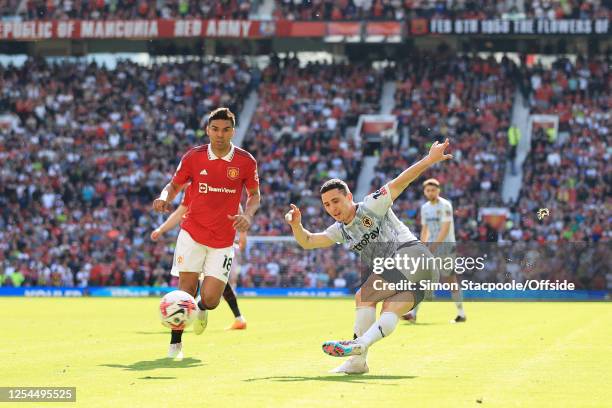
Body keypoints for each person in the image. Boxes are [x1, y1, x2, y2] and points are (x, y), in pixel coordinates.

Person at [285, 139, 453, 374]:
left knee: (364, 295)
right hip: (424, 276)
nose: (333, 208)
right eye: (326, 205)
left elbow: (400, 182)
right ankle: (360, 353)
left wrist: (430, 159)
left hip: (413, 254)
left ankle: (356, 358)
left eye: (336, 201)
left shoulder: (371, 205)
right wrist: (296, 226)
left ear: (349, 196)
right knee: (389, 309)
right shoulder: (340, 230)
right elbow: (309, 241)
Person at [152, 107, 260, 359]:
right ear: (207, 130)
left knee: (210, 299)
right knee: (185, 289)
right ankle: (175, 346)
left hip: (223, 240)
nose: (220, 134)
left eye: (225, 130)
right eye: (215, 129)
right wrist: (164, 196)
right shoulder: (193, 156)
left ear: (233, 131)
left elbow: (254, 196)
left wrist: (248, 216)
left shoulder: (245, 161)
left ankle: (200, 309)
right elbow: (174, 184)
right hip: (192, 233)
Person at [151, 184, 248, 332]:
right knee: (215, 283)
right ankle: (236, 317)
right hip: (200, 241)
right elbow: (180, 212)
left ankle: (196, 311)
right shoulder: (194, 186)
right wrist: (161, 228)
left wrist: (242, 235)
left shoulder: (208, 183)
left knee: (212, 284)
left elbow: (237, 207)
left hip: (217, 243)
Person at [402, 178, 466, 324]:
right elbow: (425, 229)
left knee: (450, 280)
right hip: (432, 246)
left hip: (446, 246)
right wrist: (422, 246)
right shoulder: (425, 208)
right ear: (425, 192)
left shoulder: (445, 205)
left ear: (438, 190)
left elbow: (445, 228)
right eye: (428, 190)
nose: (430, 192)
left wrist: (432, 247)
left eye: (433, 190)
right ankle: (413, 313)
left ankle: (461, 314)